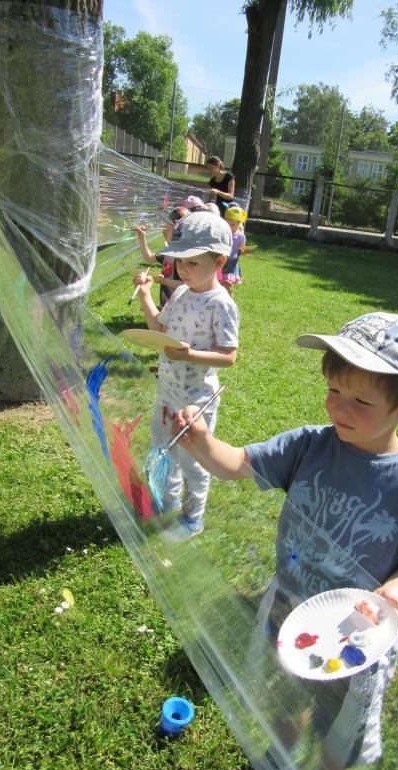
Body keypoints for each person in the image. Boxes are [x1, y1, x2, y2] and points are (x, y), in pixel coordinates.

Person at [172, 311, 398, 770]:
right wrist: (201, 440)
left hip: (354, 633)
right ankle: (281, 755)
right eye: (334, 391)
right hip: (289, 608)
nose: (339, 407)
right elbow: (237, 464)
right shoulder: (308, 445)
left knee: (341, 720)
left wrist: (395, 591)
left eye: (360, 401)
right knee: (286, 698)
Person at [134, 211, 240, 540]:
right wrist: (145, 296)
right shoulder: (180, 293)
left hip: (196, 398)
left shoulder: (221, 304)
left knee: (192, 459)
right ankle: (166, 504)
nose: (183, 269)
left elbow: (229, 356)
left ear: (219, 261)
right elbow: (159, 327)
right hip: (167, 390)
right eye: (180, 261)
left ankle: (192, 517)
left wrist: (189, 354)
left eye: (193, 262)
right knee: (162, 449)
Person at [221, 205, 247, 296]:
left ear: (239, 224)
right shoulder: (223, 233)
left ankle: (229, 300)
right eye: (227, 224)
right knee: (219, 282)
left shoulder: (240, 236)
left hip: (231, 262)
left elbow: (242, 249)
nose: (230, 227)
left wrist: (244, 251)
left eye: (233, 225)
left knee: (227, 283)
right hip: (221, 259)